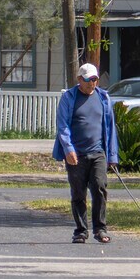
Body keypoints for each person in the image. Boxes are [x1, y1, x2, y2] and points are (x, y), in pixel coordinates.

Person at [52, 63, 119, 244]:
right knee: (78, 193)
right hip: (76, 154)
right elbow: (63, 125)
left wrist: (112, 156)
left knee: (99, 187)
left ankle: (100, 228)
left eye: (95, 79)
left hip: (98, 152)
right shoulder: (69, 97)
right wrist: (69, 149)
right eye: (89, 80)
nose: (92, 83)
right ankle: (81, 230)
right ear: (79, 79)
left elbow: (110, 128)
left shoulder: (103, 97)